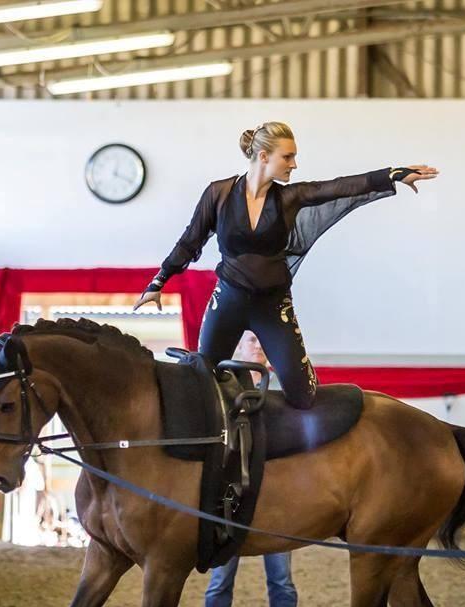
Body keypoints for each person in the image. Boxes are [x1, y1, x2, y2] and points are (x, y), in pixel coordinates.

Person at [134, 120, 438, 409]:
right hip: (228, 302)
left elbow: (340, 186)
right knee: (200, 384)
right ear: (264, 156)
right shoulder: (219, 193)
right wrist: (158, 282)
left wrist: (394, 175)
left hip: (273, 306)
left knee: (304, 396)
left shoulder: (290, 197)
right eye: (288, 157)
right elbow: (191, 240)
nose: (294, 164)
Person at [203, 331, 298, 607]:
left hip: (276, 496)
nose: (259, 346)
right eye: (252, 341)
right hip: (231, 494)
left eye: (262, 341)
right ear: (240, 347)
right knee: (220, 578)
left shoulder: (286, 386)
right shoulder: (223, 386)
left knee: (282, 580)